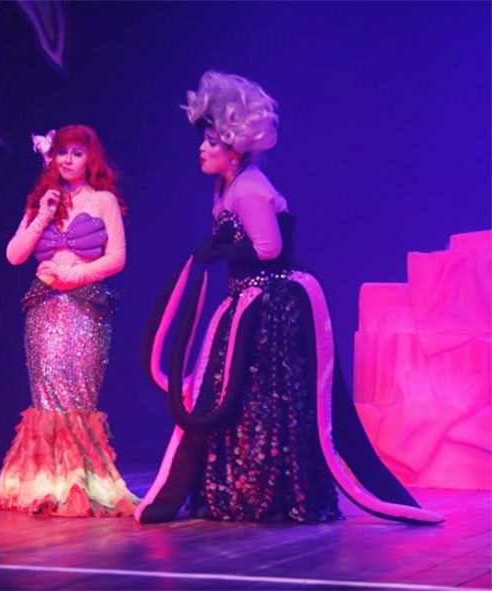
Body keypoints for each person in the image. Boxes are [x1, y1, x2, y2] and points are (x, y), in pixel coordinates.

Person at [135, 71, 443, 525]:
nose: (202, 149)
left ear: (235, 149)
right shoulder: (226, 187)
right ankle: (239, 491)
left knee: (264, 397)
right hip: (244, 300)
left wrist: (220, 249)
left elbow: (268, 248)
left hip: (270, 305)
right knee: (231, 396)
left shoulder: (249, 188)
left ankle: (273, 494)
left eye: (212, 142)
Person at [0, 124, 138, 517]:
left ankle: (80, 481)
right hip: (45, 309)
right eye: (62, 152)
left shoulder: (103, 200)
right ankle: (44, 483)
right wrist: (43, 215)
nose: (68, 159)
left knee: (78, 396)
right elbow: (14, 255)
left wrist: (75, 274)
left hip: (86, 309)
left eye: (77, 153)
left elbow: (117, 257)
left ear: (90, 159)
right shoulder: (42, 201)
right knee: (47, 398)